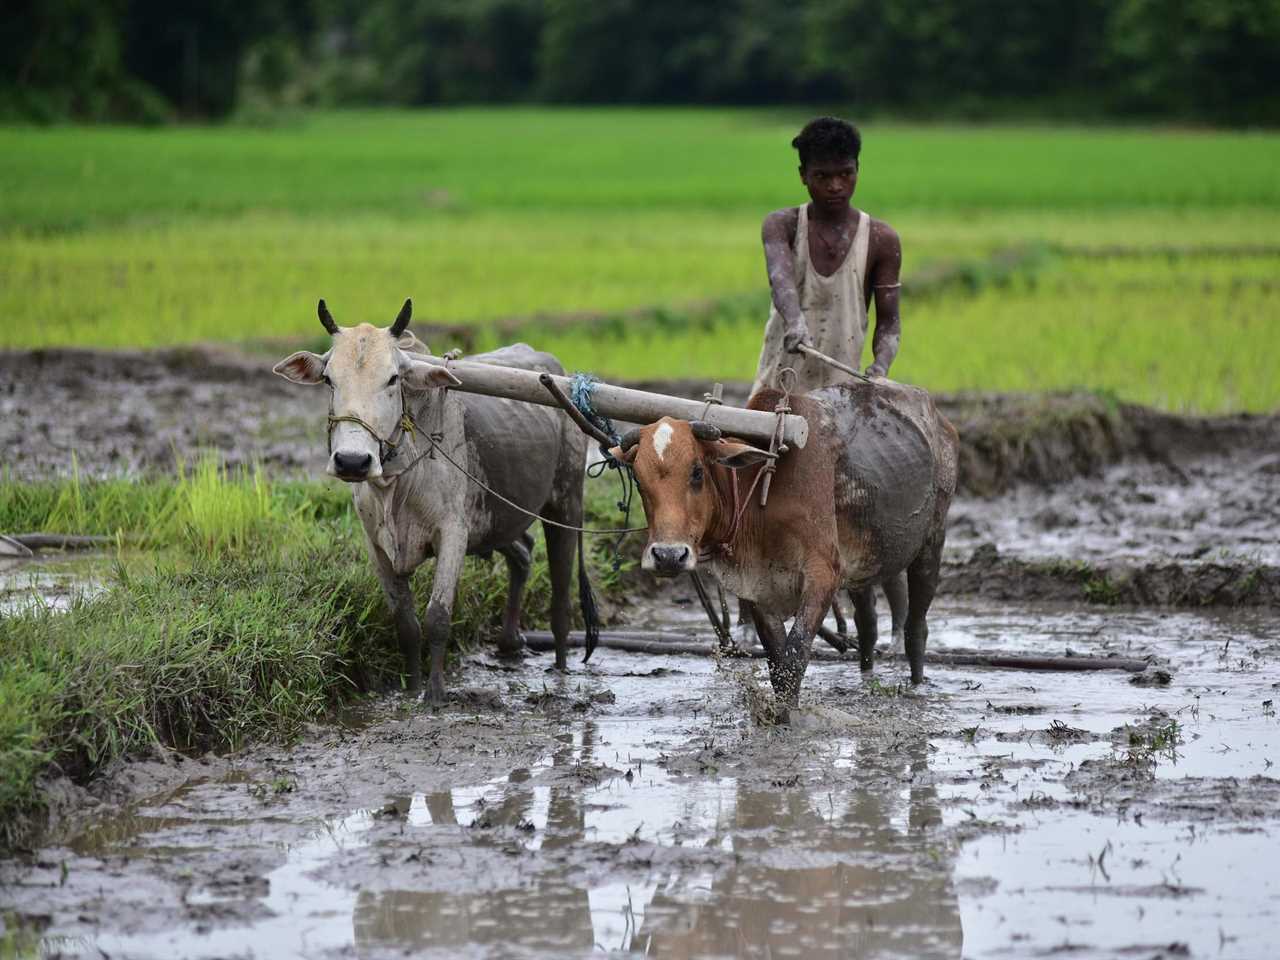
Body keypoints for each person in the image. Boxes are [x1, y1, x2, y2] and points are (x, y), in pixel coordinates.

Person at [752, 116, 902, 394]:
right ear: (803, 175)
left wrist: (880, 368)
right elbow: (780, 280)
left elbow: (889, 322)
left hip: (841, 395)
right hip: (778, 387)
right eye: (822, 176)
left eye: (845, 174)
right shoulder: (782, 225)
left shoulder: (881, 239)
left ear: (857, 169)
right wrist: (795, 322)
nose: (835, 185)